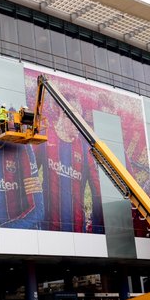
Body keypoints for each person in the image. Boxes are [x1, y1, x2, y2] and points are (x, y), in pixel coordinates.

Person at [33, 97, 104, 233]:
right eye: (74, 118)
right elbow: (30, 174)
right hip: (48, 225)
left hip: (76, 227)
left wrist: (98, 227)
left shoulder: (85, 148)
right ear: (63, 116)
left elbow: (97, 191)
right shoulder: (46, 135)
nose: (77, 125)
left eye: (80, 118)